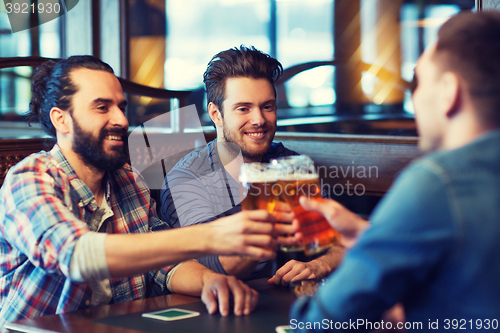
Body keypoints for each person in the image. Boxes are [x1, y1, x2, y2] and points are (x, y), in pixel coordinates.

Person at [0, 56, 294, 329]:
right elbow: (77, 255)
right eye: (102, 107)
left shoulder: (127, 179)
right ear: (60, 119)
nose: (121, 120)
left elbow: (165, 266)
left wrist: (210, 281)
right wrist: (214, 234)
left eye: (121, 107)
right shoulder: (30, 179)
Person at [290, 11, 500, 331]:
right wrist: (368, 235)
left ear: (448, 91)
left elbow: (320, 323)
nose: (414, 99)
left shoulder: (437, 181)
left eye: (420, 82)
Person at [160, 46, 343, 283]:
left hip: (283, 305)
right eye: (243, 109)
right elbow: (218, 267)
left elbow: (343, 241)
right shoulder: (187, 180)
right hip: (213, 309)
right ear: (216, 114)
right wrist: (272, 216)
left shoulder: (289, 164)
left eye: (267, 107)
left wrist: (320, 265)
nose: (259, 120)